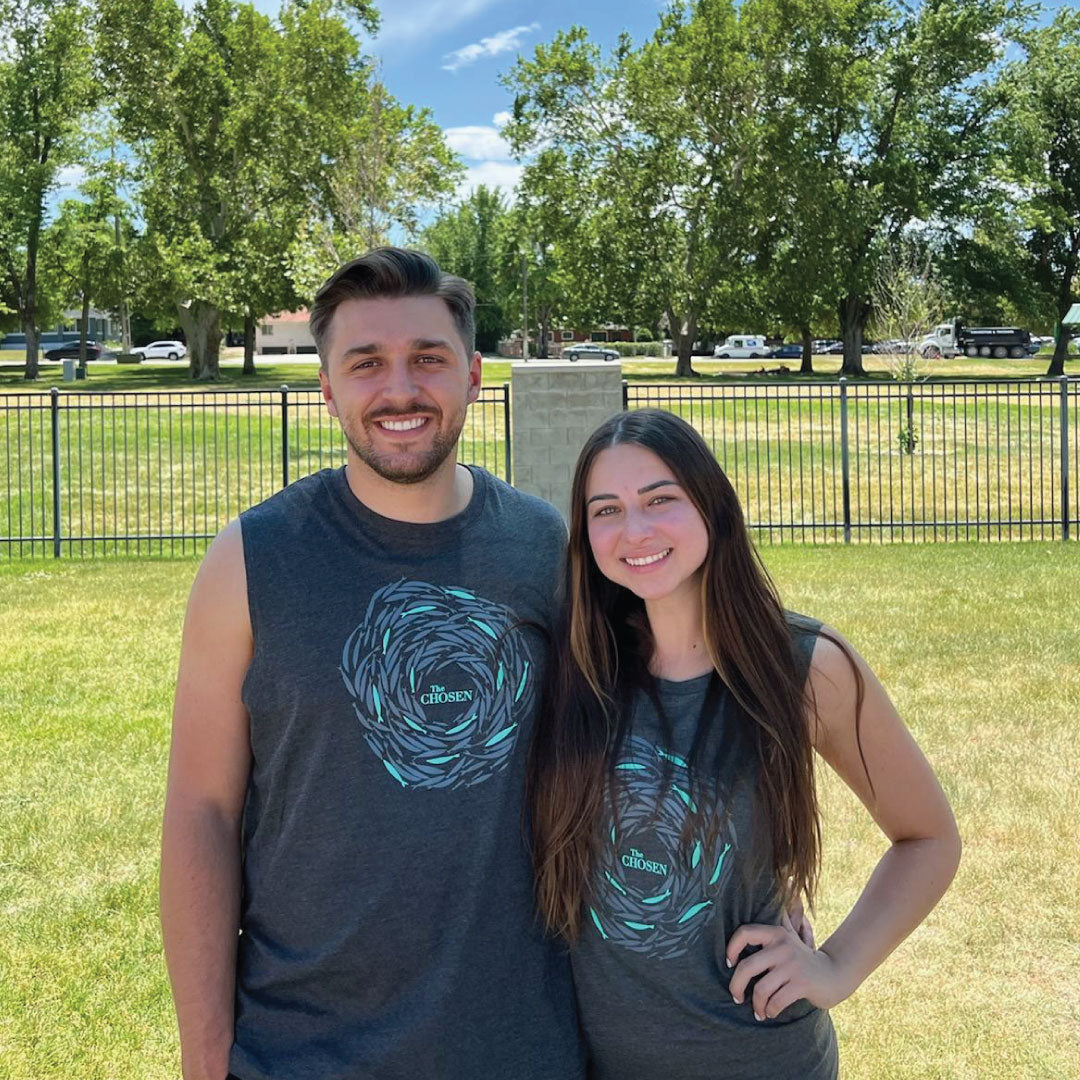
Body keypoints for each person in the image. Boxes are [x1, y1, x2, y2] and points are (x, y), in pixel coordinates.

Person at [161, 248, 584, 1080]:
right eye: (366, 364)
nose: (400, 389)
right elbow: (201, 811)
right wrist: (206, 1053)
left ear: (472, 376)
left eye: (428, 358)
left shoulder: (545, 548)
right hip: (301, 1050)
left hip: (522, 1046)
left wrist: (763, 882)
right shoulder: (250, 561)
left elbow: (642, 744)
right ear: (326, 388)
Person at [528, 408, 961, 1080]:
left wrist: (837, 967)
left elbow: (928, 838)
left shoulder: (802, 667)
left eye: (660, 500)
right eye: (605, 510)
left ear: (712, 504)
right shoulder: (581, 668)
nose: (634, 530)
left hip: (758, 1058)